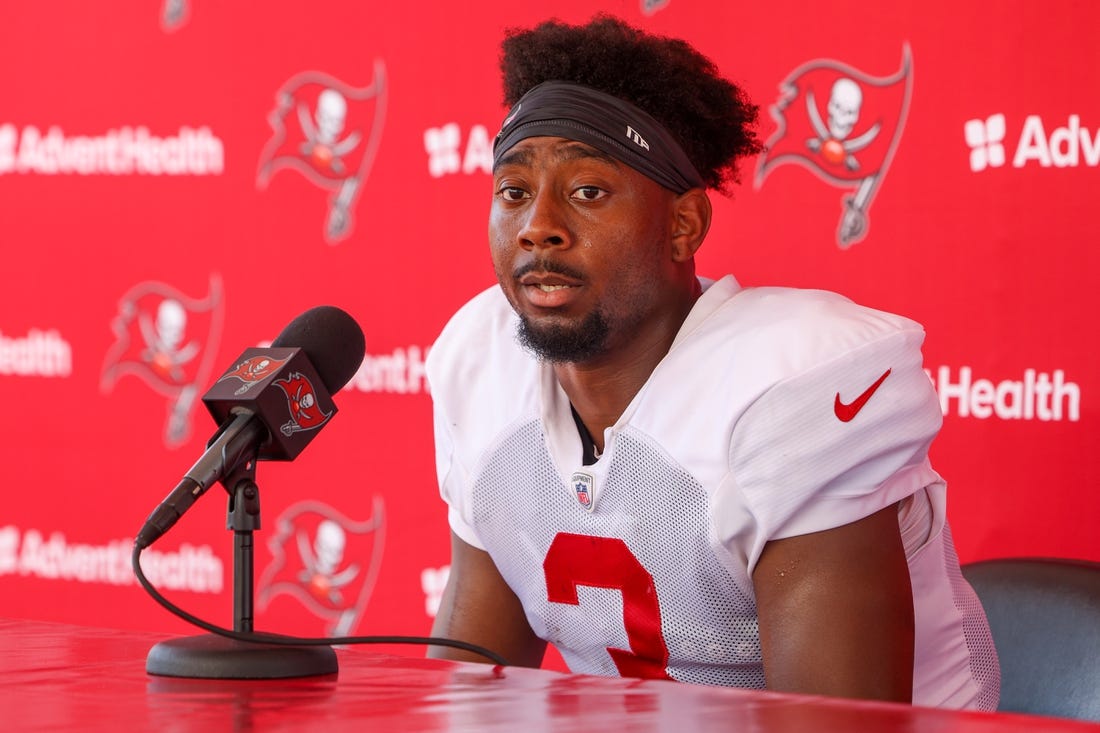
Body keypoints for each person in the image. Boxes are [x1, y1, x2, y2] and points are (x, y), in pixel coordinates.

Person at [425, 14, 1000, 710]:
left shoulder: (786, 388)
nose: (536, 225)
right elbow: (471, 696)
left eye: (588, 192)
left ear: (684, 225)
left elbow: (832, 727)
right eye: (513, 192)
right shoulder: (479, 361)